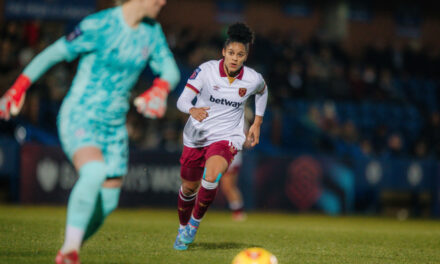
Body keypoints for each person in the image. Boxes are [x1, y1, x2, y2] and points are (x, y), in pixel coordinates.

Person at [0, 0, 180, 263]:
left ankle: (68, 251)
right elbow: (54, 53)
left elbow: (171, 71)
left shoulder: (151, 31)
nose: (163, 1)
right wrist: (18, 88)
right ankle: (71, 250)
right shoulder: (100, 25)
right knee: (94, 171)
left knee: (109, 200)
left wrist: (161, 88)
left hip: (115, 127)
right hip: (80, 115)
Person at [173, 22, 268, 250]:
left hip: (228, 136)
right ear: (224, 52)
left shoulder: (253, 79)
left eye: (240, 54)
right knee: (189, 187)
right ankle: (183, 226)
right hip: (197, 135)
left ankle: (194, 225)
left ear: (246, 56)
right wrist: (192, 109)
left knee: (212, 176)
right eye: (232, 53)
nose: (235, 58)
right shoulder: (206, 71)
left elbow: (263, 91)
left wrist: (257, 122)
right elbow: (182, 100)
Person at [221, 150, 246, 221]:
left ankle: (238, 211)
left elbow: (247, 143)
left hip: (231, 155)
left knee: (228, 186)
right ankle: (238, 211)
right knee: (228, 187)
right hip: (223, 154)